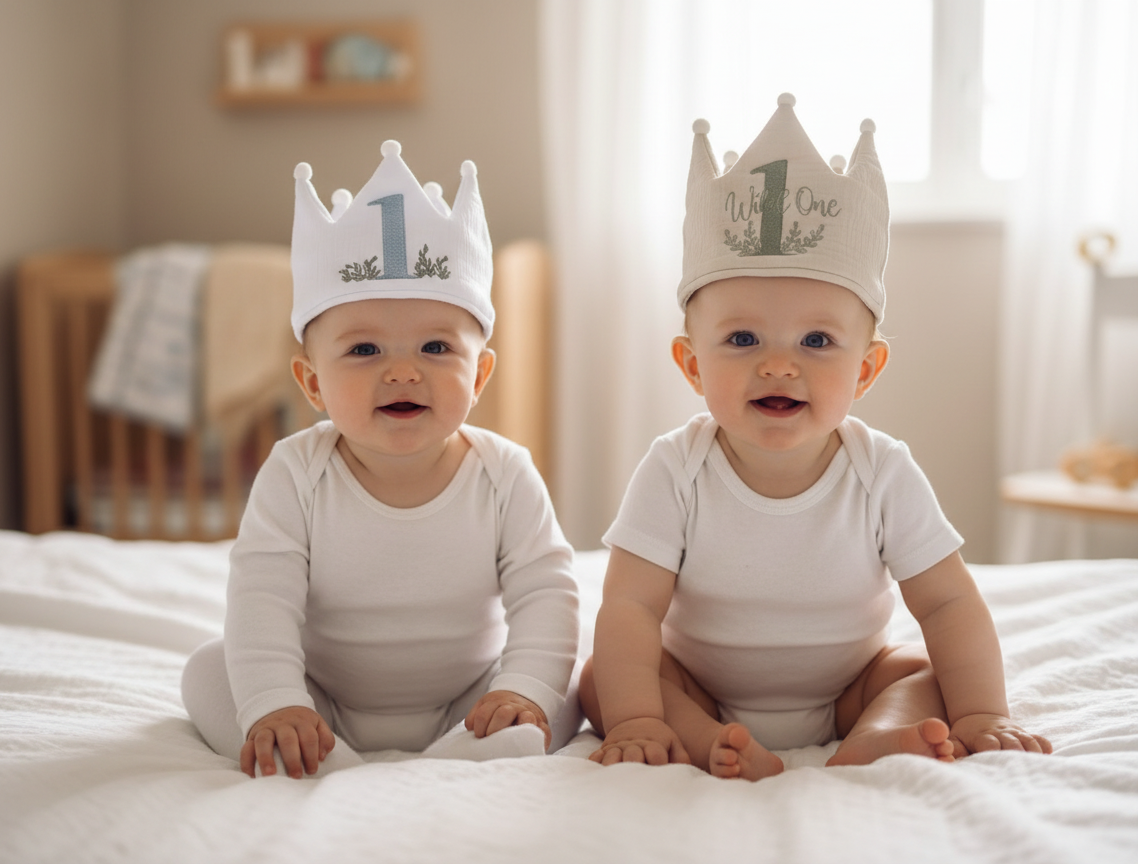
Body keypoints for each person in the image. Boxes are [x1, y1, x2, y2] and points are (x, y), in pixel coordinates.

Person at [579, 94, 1052, 780]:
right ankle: (701, 734)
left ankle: (879, 733)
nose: (778, 364)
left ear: (865, 370)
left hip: (848, 688)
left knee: (923, 671)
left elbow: (948, 602)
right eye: (742, 339)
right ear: (690, 364)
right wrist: (636, 720)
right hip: (701, 683)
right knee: (606, 674)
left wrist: (981, 710)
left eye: (817, 340)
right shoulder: (674, 468)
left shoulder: (881, 469)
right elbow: (628, 605)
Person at [182, 141, 579, 779]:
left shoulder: (505, 473)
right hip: (324, 699)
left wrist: (523, 689)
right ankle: (317, 755)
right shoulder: (295, 472)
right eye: (364, 349)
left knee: (567, 682)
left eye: (434, 346)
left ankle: (461, 756)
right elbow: (262, 595)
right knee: (210, 669)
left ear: (480, 374)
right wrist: (278, 701)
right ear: (312, 385)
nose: (402, 371)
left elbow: (547, 592)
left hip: (468, 700)